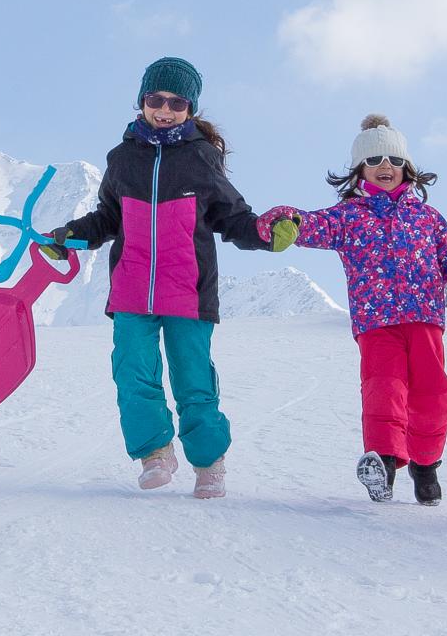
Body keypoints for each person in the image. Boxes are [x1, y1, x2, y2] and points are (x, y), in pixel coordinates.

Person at [49, 57, 279, 499]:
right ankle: (154, 452)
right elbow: (107, 217)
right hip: (133, 285)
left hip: (188, 290)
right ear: (142, 101)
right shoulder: (122, 159)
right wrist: (71, 235)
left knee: (193, 378)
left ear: (190, 108)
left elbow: (232, 217)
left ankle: (209, 461)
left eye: (177, 102)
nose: (165, 109)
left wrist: (266, 234)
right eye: (156, 99)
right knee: (133, 372)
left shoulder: (200, 158)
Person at [256, 115, 447, 506]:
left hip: (424, 318)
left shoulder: (428, 218)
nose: (385, 166)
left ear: (407, 167)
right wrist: (290, 220)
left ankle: (425, 465)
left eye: (393, 159)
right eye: (374, 160)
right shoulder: (349, 216)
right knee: (383, 389)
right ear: (359, 171)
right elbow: (313, 225)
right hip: (376, 322)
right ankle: (384, 464)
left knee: (433, 393)